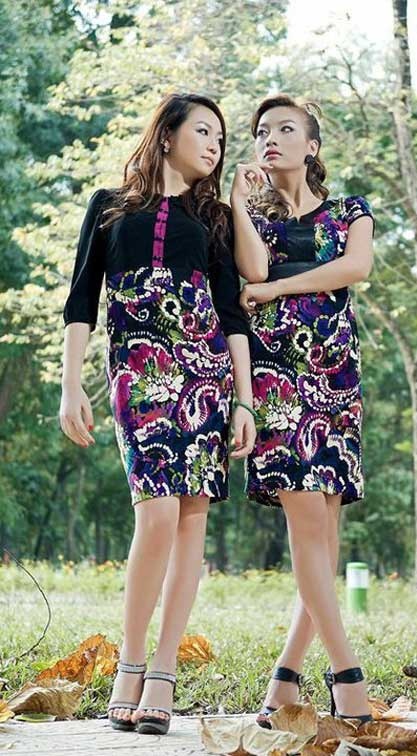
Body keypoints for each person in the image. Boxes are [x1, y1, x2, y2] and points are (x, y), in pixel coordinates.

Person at [60, 92, 255, 735]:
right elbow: (82, 299)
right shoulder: (109, 206)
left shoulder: (216, 218)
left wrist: (244, 400)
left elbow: (231, 313)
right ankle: (132, 659)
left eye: (221, 137)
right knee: (158, 512)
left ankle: (164, 670)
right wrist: (70, 384)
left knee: (192, 517)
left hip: (206, 374)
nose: (215, 145)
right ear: (167, 134)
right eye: (203, 131)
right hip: (139, 371)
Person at [229, 94, 374, 726]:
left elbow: (355, 267)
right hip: (276, 382)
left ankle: (284, 682)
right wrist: (237, 201)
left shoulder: (350, 211)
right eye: (263, 130)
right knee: (308, 525)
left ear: (311, 146)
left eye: (286, 129)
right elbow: (249, 272)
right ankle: (347, 675)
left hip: (336, 380)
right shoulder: (252, 218)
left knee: (326, 534)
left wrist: (279, 288)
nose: (272, 137)